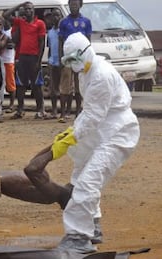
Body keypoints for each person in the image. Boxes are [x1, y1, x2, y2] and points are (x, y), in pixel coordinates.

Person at [51, 32, 140, 253]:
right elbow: (89, 112)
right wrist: (71, 132)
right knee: (80, 175)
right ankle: (93, 225)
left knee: (88, 182)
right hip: (102, 129)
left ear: (86, 51)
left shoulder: (100, 74)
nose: (73, 65)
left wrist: (73, 136)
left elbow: (93, 115)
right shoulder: (86, 71)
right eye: (69, 61)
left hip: (118, 132)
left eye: (74, 59)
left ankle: (79, 236)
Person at [3, 1, 46, 120]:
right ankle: (20, 109)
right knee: (20, 85)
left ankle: (40, 109)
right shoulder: (20, 22)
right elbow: (6, 15)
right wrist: (19, 5)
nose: (28, 11)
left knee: (36, 85)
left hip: (34, 58)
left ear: (34, 10)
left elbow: (42, 43)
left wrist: (39, 61)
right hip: (22, 57)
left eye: (30, 9)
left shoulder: (40, 23)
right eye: (26, 9)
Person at [59, 0, 92, 119]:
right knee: (65, 86)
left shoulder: (86, 22)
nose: (73, 6)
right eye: (71, 4)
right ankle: (63, 113)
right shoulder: (63, 22)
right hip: (68, 58)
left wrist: (88, 57)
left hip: (81, 58)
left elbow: (89, 41)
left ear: (80, 5)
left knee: (80, 85)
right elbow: (60, 41)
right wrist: (60, 58)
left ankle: (78, 111)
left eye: (76, 4)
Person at [0, 15, 16, 113]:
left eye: (0, 24)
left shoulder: (5, 36)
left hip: (7, 61)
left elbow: (0, 46)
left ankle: (11, 104)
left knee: (10, 83)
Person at [46, 9, 62, 119]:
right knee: (53, 89)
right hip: (52, 63)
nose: (55, 18)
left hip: (62, 63)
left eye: (57, 15)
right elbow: (50, 48)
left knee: (63, 89)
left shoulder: (63, 31)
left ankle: (64, 111)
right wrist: (49, 61)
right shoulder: (50, 32)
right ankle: (54, 110)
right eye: (54, 16)